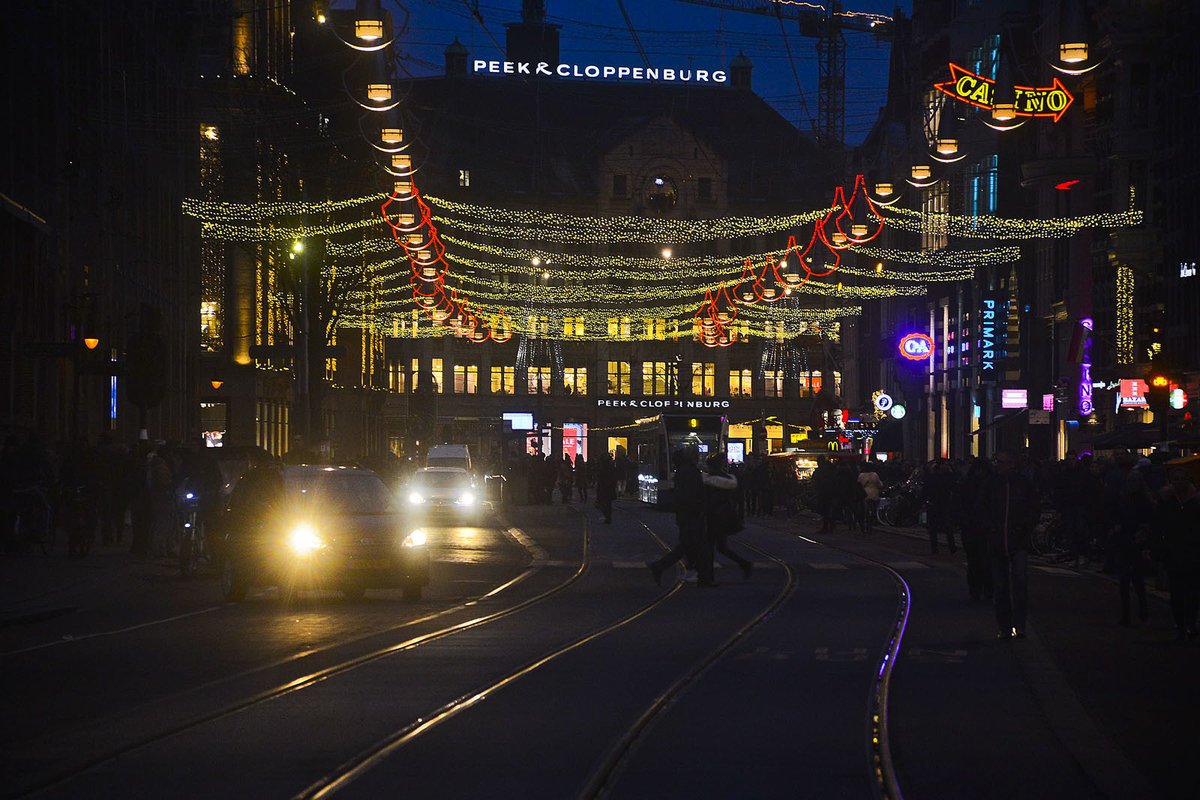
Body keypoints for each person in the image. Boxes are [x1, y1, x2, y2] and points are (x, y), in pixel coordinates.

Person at [980, 450, 1040, 638]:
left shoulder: (1023, 484)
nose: (998, 465)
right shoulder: (991, 484)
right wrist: (990, 528)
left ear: (1012, 464)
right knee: (1001, 585)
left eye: (1002, 462)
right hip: (998, 540)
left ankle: (1019, 625)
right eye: (997, 462)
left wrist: (1024, 527)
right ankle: (1004, 627)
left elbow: (1033, 508)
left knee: (1019, 582)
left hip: (1017, 539)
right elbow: (982, 507)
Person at [648, 447, 712, 587]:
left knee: (688, 546)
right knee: (696, 546)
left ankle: (701, 576)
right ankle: (703, 577)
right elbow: (692, 495)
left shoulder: (682, 471)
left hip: (687, 514)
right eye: (697, 455)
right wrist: (699, 508)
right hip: (692, 515)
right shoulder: (691, 472)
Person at [1155, 467, 1200, 640]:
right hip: (1173, 549)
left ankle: (1189, 622)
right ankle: (1181, 624)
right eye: (1176, 479)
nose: (1179, 482)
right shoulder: (1167, 500)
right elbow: (1159, 524)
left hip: (1193, 550)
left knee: (1192, 590)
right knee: (1177, 590)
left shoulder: (1195, 501)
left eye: (1182, 479)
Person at [704, 452, 753, 581]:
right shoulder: (728, 479)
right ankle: (744, 564)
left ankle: (708, 576)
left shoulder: (710, 480)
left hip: (714, 517)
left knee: (710, 547)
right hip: (724, 516)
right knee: (720, 547)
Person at [1114, 469, 1153, 626]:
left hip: (1136, 541)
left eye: (1134, 481)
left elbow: (1149, 520)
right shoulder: (1124, 498)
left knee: (1136, 579)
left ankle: (1141, 609)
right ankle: (1128, 614)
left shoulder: (1143, 500)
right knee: (1125, 580)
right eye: (1130, 481)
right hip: (1125, 540)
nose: (1132, 484)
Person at [955, 457, 994, 602]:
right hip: (977, 527)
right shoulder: (992, 484)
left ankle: (979, 589)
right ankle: (982, 590)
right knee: (980, 560)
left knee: (977, 561)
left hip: (977, 528)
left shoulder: (967, 485)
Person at [922, 459, 959, 554]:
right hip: (940, 504)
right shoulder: (944, 477)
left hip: (938, 504)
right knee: (944, 527)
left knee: (939, 527)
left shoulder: (933, 477)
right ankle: (949, 547)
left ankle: (939, 548)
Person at [858, 461, 883, 534]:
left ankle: (864, 522)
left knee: (864, 510)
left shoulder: (861, 475)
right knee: (873, 509)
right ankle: (872, 522)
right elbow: (880, 484)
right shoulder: (875, 475)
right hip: (874, 493)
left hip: (865, 494)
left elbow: (859, 484)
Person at [595, 452, 617, 524]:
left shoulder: (602, 470)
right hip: (609, 489)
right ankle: (608, 517)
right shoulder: (612, 469)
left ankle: (607, 517)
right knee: (608, 504)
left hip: (603, 489)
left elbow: (599, 480)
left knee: (603, 504)